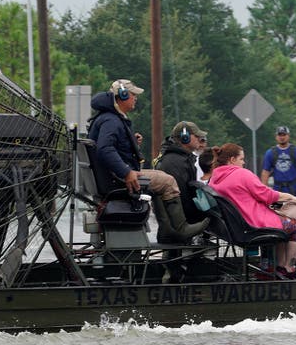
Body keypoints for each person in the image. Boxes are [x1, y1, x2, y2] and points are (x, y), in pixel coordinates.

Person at [89, 80, 209, 243]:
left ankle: (168, 230)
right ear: (122, 95)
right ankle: (180, 229)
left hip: (111, 175)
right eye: (133, 95)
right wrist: (127, 172)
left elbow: (112, 147)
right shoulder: (112, 120)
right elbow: (105, 149)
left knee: (160, 179)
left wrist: (130, 141)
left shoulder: (109, 118)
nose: (135, 98)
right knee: (167, 181)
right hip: (116, 178)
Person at [209, 143, 296, 278]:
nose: (243, 163)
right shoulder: (241, 174)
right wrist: (289, 197)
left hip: (236, 227)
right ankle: (288, 267)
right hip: (253, 224)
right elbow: (266, 195)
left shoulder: (214, 178)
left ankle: (270, 267)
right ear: (232, 160)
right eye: (241, 159)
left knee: (282, 225)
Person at [154, 120, 209, 236]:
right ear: (185, 137)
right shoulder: (176, 162)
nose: (200, 140)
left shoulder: (177, 158)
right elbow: (182, 197)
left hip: (171, 224)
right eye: (197, 136)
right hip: (177, 225)